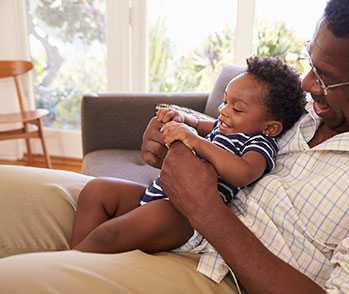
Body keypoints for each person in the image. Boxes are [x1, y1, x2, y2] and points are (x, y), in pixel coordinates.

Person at [0, 0, 349, 293]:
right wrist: (170, 136)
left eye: (328, 78)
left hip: (216, 273)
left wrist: (204, 210)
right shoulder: (324, 106)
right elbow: (239, 128)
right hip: (187, 221)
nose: (307, 83)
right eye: (310, 62)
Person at [70, 56, 305, 254]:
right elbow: (198, 123)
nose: (223, 111)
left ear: (270, 127)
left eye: (237, 108)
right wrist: (181, 119)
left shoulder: (259, 142)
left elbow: (243, 173)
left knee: (110, 235)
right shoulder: (222, 126)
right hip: (157, 194)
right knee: (96, 191)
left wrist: (194, 140)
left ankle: (71, 265)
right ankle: (72, 257)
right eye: (224, 101)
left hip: (183, 216)